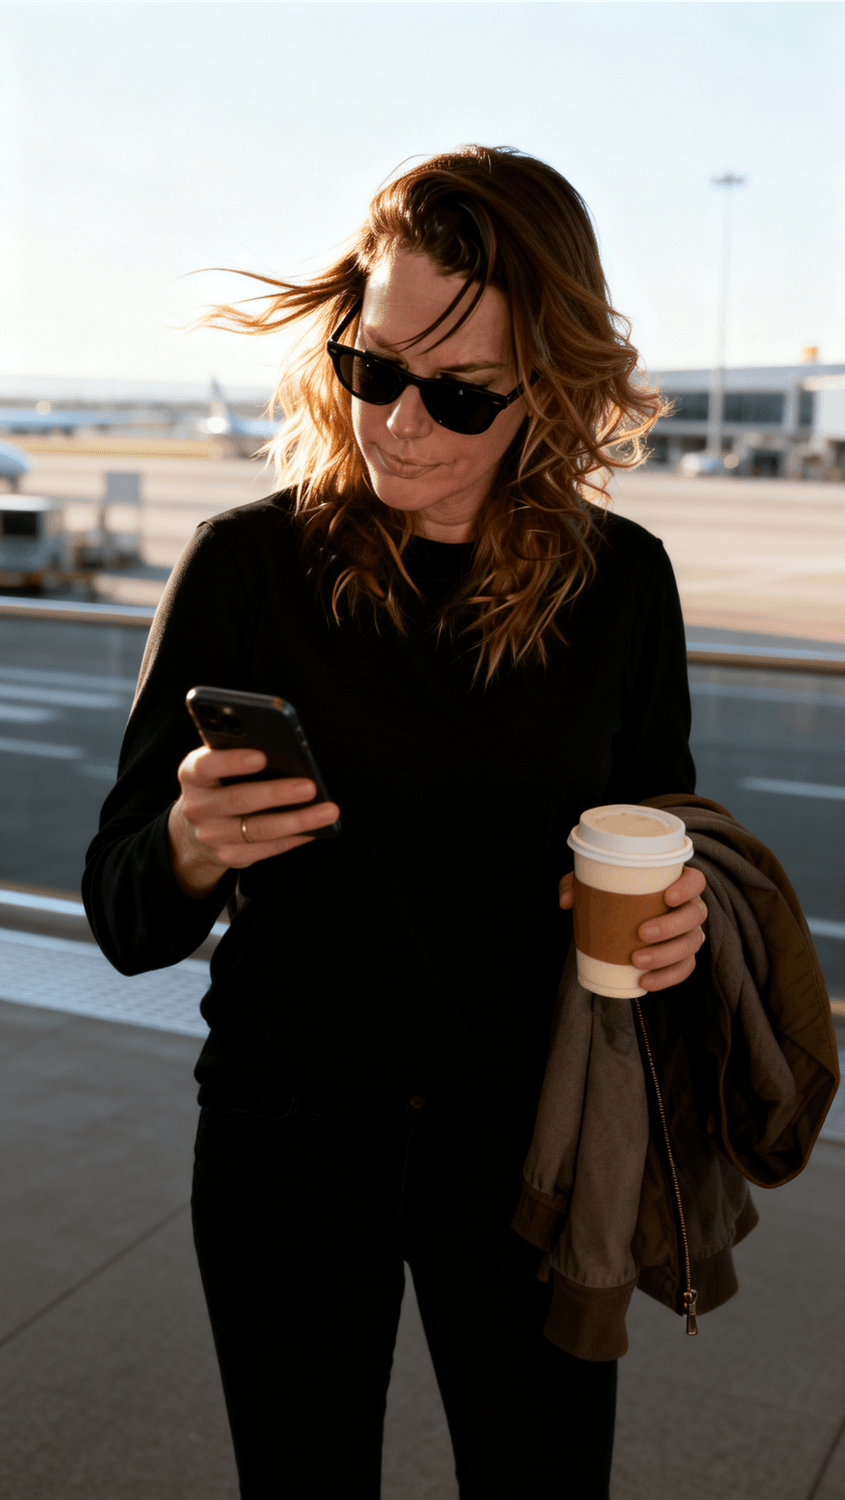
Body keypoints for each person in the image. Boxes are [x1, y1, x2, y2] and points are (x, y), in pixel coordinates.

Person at [83, 145, 709, 1499]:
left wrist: (680, 920)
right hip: (287, 1143)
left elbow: (663, 831)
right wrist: (188, 847)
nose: (400, 423)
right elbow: (124, 917)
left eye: (460, 392)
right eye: (373, 370)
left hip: (531, 1153)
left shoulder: (622, 584)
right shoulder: (247, 565)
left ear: (549, 387)